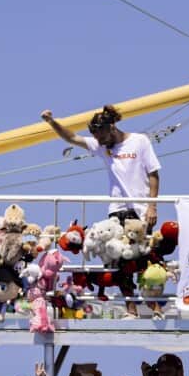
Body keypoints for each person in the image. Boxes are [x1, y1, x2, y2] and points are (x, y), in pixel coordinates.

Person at [42, 105, 161, 319]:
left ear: (112, 127)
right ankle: (131, 308)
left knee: (144, 259)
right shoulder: (101, 145)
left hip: (141, 211)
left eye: (103, 136)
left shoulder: (139, 141)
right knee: (118, 261)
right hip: (117, 211)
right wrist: (52, 122)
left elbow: (153, 174)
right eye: (97, 138)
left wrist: (152, 205)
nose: (101, 142)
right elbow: (72, 138)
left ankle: (155, 307)